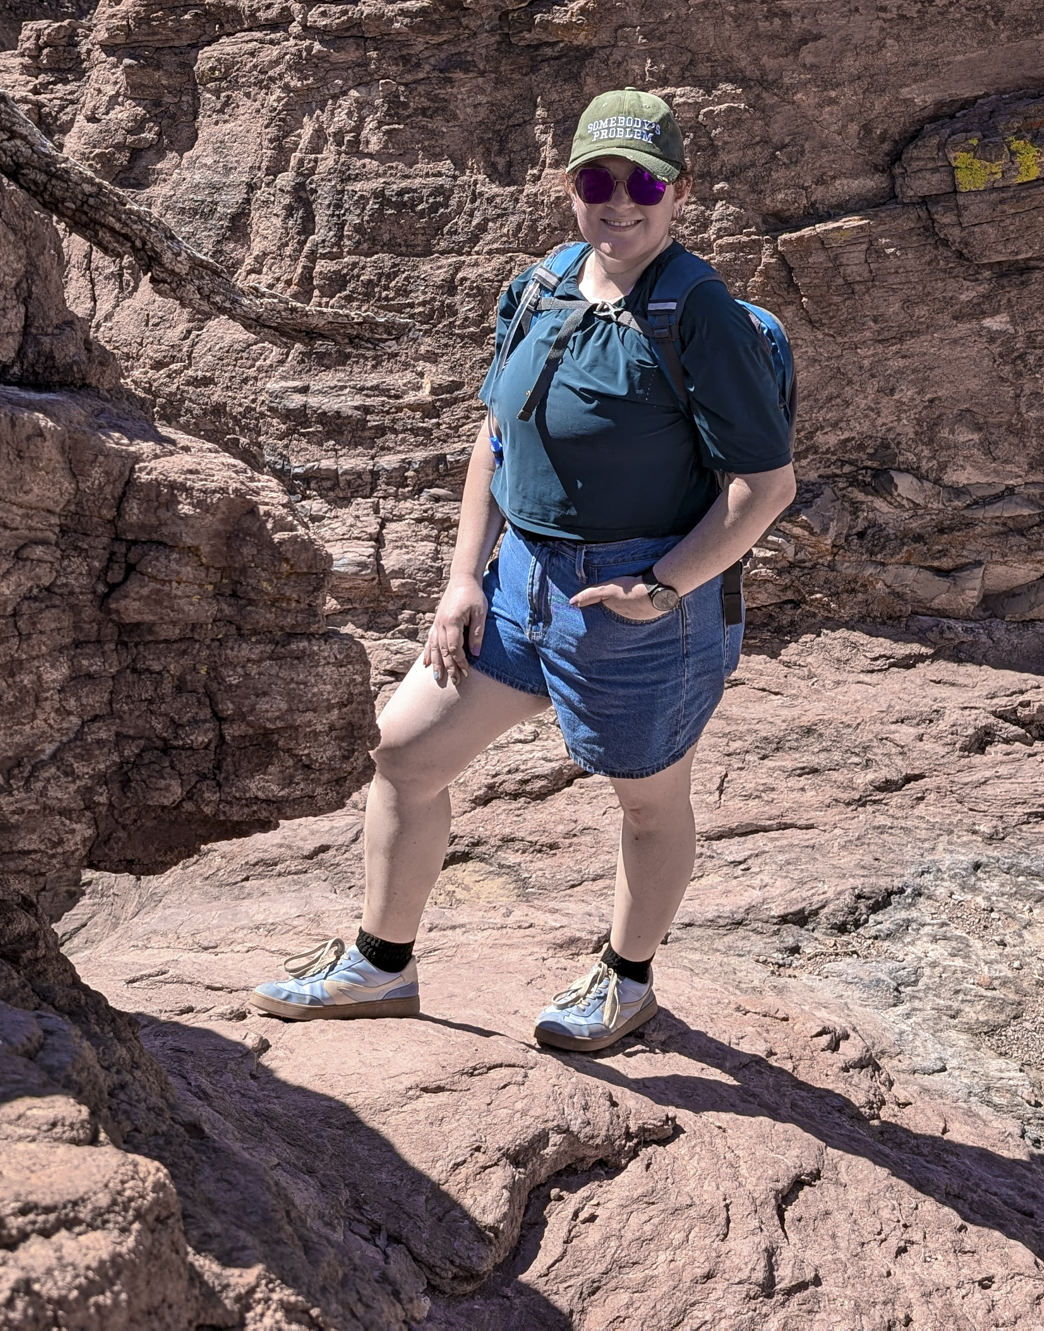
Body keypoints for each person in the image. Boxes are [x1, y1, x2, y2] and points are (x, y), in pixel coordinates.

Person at [253, 89, 796, 1052]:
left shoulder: (699, 313)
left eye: (643, 184)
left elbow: (765, 487)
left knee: (647, 800)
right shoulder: (543, 285)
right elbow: (495, 438)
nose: (618, 202)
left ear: (679, 192)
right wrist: (461, 579)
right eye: (598, 180)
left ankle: (626, 981)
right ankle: (381, 967)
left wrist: (661, 587)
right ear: (569, 186)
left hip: (636, 597)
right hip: (517, 581)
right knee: (403, 754)